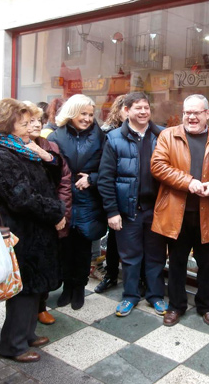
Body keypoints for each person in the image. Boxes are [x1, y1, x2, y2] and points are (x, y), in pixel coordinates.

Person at [0, 98, 66, 363]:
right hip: (23, 231)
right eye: (25, 121)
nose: (31, 125)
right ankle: (13, 345)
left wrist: (47, 157)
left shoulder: (23, 148)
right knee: (24, 289)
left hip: (37, 230)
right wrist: (56, 212)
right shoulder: (0, 155)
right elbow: (21, 198)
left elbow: (51, 178)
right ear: (8, 125)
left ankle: (28, 335)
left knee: (34, 287)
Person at [151, 94, 209, 327]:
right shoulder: (168, 135)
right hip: (176, 213)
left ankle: (206, 306)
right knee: (176, 263)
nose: (191, 117)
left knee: (207, 264)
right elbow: (158, 166)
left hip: (207, 213)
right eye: (187, 112)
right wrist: (188, 182)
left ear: (207, 114)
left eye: (196, 112)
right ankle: (176, 306)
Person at [98, 92, 167, 316]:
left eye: (146, 107)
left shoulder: (162, 136)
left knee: (156, 256)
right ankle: (130, 296)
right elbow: (106, 178)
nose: (144, 112)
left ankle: (156, 296)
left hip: (156, 209)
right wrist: (112, 211)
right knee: (129, 257)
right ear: (127, 111)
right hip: (128, 211)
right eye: (138, 108)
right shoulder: (114, 138)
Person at [48, 94, 107, 310]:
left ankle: (79, 289)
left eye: (91, 114)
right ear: (72, 113)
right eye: (83, 113)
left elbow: (108, 169)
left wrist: (92, 179)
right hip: (64, 200)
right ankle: (66, 288)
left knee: (82, 250)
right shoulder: (55, 137)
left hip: (88, 201)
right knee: (65, 248)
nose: (87, 118)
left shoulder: (101, 137)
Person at [24, 101, 73, 326]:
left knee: (46, 262)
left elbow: (64, 180)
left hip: (50, 215)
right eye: (29, 121)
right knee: (25, 266)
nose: (36, 124)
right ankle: (22, 313)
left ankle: (41, 305)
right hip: (25, 217)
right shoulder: (7, 148)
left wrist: (60, 212)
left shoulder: (49, 145)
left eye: (38, 120)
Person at [91, 93, 128, 289]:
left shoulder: (143, 132)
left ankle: (135, 278)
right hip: (111, 192)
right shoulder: (106, 133)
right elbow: (99, 167)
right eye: (126, 108)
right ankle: (110, 274)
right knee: (113, 237)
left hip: (131, 194)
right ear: (119, 110)